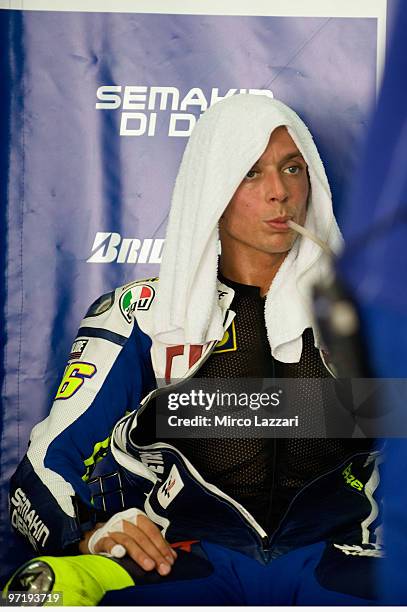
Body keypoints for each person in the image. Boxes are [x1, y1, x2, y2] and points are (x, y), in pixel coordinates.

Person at [5, 94, 383, 606]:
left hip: (339, 557)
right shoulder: (142, 312)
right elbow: (45, 465)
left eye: (292, 168)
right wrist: (91, 532)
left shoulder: (373, 315)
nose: (279, 193)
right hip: (183, 555)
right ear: (212, 189)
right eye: (251, 173)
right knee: (42, 588)